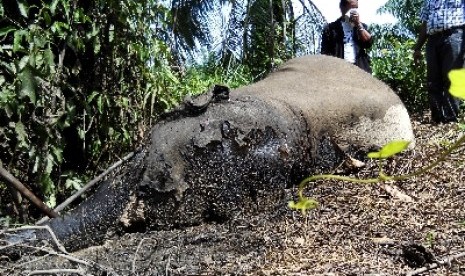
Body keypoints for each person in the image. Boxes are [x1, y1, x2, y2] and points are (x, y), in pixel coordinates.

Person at [413, 0, 465, 124]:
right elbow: (425, 24)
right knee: (433, 82)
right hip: (432, 40)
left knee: (452, 79)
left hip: (454, 37)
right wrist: (417, 48)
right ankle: (437, 119)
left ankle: (450, 120)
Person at [320, 0, 373, 73]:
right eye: (352, 8)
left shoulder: (361, 27)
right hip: (339, 72)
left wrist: (358, 24)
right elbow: (324, 54)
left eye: (356, 8)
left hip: (360, 71)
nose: (354, 11)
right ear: (342, 7)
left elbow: (368, 43)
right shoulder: (330, 29)